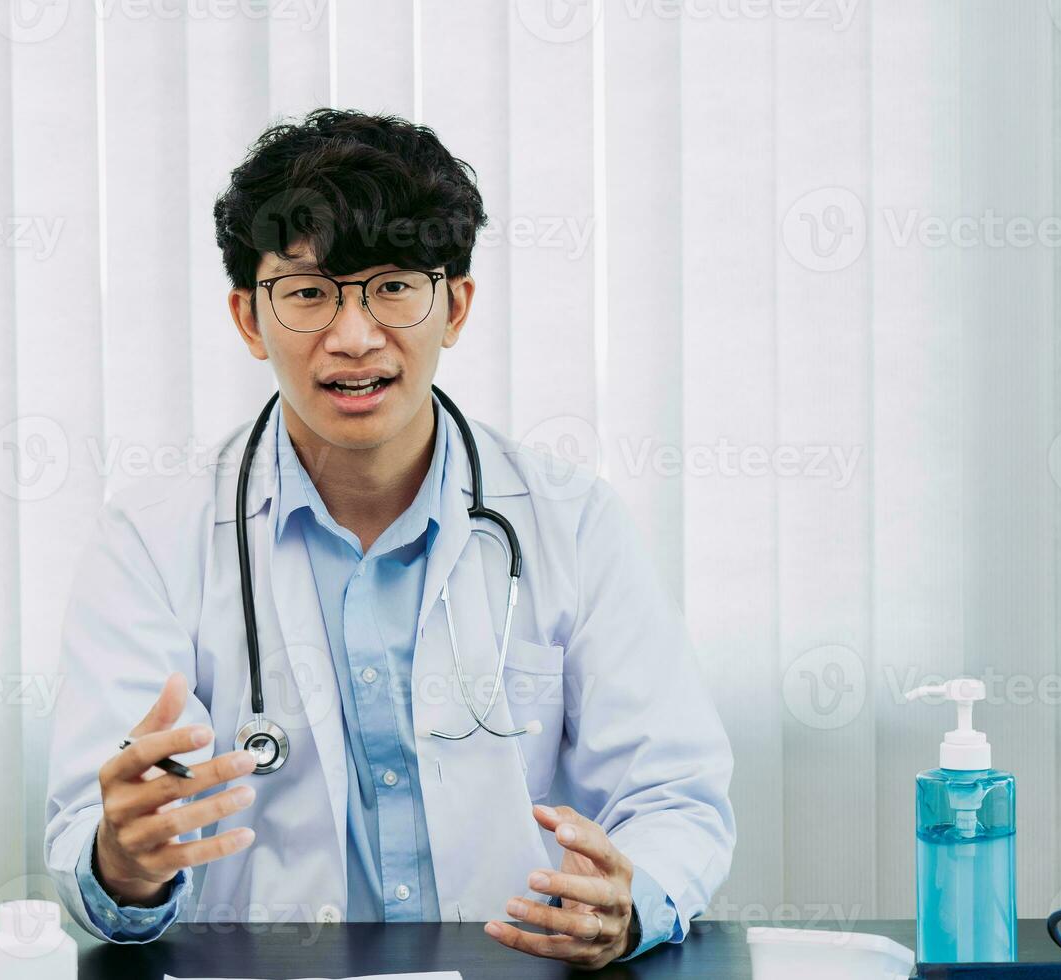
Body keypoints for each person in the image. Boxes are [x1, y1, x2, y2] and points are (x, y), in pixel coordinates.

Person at [45, 108, 734, 969]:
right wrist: (124, 861)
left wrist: (631, 905)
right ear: (249, 320)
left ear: (456, 306)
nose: (354, 336)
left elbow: (674, 795)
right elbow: (94, 837)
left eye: (394, 286)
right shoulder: (150, 541)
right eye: (307, 293)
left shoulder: (573, 522)